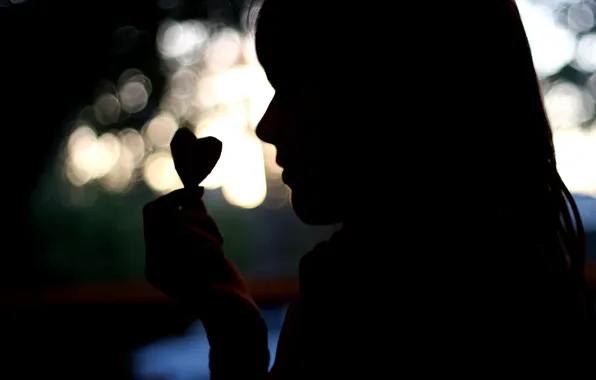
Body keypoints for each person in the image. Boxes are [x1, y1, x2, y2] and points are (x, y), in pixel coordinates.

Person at [143, 1, 595, 377]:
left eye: (295, 88)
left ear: (387, 92)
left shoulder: (355, 312)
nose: (268, 126)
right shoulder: (533, 286)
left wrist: (233, 327)